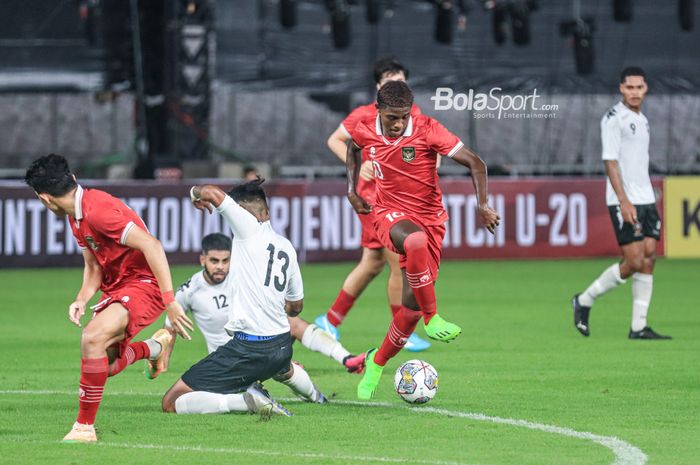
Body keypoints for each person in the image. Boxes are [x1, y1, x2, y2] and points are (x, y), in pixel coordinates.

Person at [346, 81, 500, 400]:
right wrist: (352, 190)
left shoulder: (428, 129)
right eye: (392, 118)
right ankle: (433, 317)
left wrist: (483, 205)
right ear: (379, 111)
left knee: (408, 312)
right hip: (388, 213)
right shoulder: (366, 127)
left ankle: (376, 362)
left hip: (431, 220)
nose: (398, 123)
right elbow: (352, 146)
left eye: (403, 117)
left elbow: (476, 163)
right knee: (413, 243)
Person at [24, 154, 193, 442]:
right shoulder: (76, 215)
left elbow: (152, 245)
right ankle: (154, 347)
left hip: (143, 283)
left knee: (91, 338)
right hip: (118, 286)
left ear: (44, 199)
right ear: (73, 179)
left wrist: (170, 301)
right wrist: (81, 298)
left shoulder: (98, 210)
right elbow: (93, 266)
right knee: (106, 367)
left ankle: (84, 428)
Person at [161, 179, 327, 417]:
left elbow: (209, 191)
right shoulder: (286, 246)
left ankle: (246, 401)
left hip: (248, 349)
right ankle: (316, 397)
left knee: (171, 401)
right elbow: (296, 306)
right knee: (283, 369)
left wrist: (193, 194)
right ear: (267, 212)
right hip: (281, 345)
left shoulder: (245, 227)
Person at [315, 56, 431, 352]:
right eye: (390, 82)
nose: (396, 86)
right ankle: (401, 332)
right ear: (378, 86)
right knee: (399, 262)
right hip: (375, 200)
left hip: (400, 198)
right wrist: (358, 163)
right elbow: (335, 140)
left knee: (373, 262)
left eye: (401, 81)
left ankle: (330, 321)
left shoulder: (412, 113)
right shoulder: (365, 114)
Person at [148, 233, 366, 378]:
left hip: (257, 341)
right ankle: (280, 368)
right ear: (202, 260)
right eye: (214, 261)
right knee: (281, 371)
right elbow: (170, 329)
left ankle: (346, 359)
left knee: (294, 323)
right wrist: (162, 362)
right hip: (228, 357)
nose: (221, 267)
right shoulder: (190, 291)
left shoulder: (242, 276)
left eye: (226, 261)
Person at [572, 67, 671, 340]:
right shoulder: (613, 119)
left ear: (646, 88)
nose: (635, 92)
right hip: (624, 199)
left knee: (649, 256)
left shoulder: (642, 118)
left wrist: (647, 194)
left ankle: (638, 326)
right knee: (634, 260)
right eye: (630, 87)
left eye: (639, 87)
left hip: (646, 197)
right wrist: (624, 200)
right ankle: (584, 300)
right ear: (621, 89)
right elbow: (610, 162)